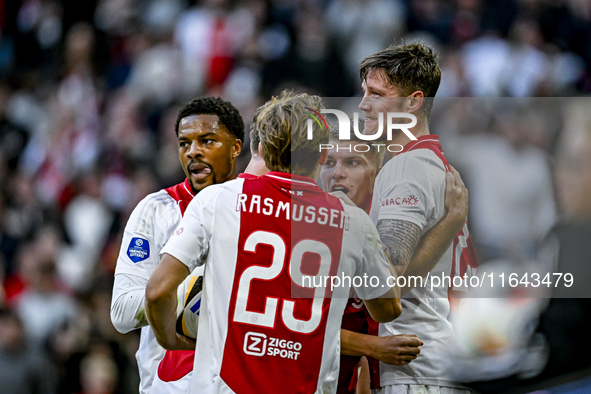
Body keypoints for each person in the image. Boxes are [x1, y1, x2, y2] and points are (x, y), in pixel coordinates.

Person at [145, 91, 403, 393]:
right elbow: (388, 309)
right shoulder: (353, 222)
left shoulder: (218, 200)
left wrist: (169, 339)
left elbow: (157, 291)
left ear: (263, 149)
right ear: (322, 155)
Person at [358, 43, 479, 393]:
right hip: (430, 357)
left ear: (413, 102)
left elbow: (387, 285)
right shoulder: (427, 161)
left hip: (412, 365)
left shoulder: (407, 169)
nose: (363, 104)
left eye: (377, 94)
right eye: (364, 92)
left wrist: (446, 229)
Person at [320, 123, 470, 393]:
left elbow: (394, 286)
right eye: (328, 163)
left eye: (353, 162)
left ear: (379, 174)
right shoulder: (313, 233)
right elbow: (294, 327)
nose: (337, 174)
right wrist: (372, 347)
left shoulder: (394, 227)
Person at [110, 96, 244, 394]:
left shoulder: (256, 210)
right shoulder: (155, 209)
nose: (193, 151)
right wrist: (192, 290)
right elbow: (120, 313)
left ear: (235, 147)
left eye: (207, 141)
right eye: (184, 144)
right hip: (167, 386)